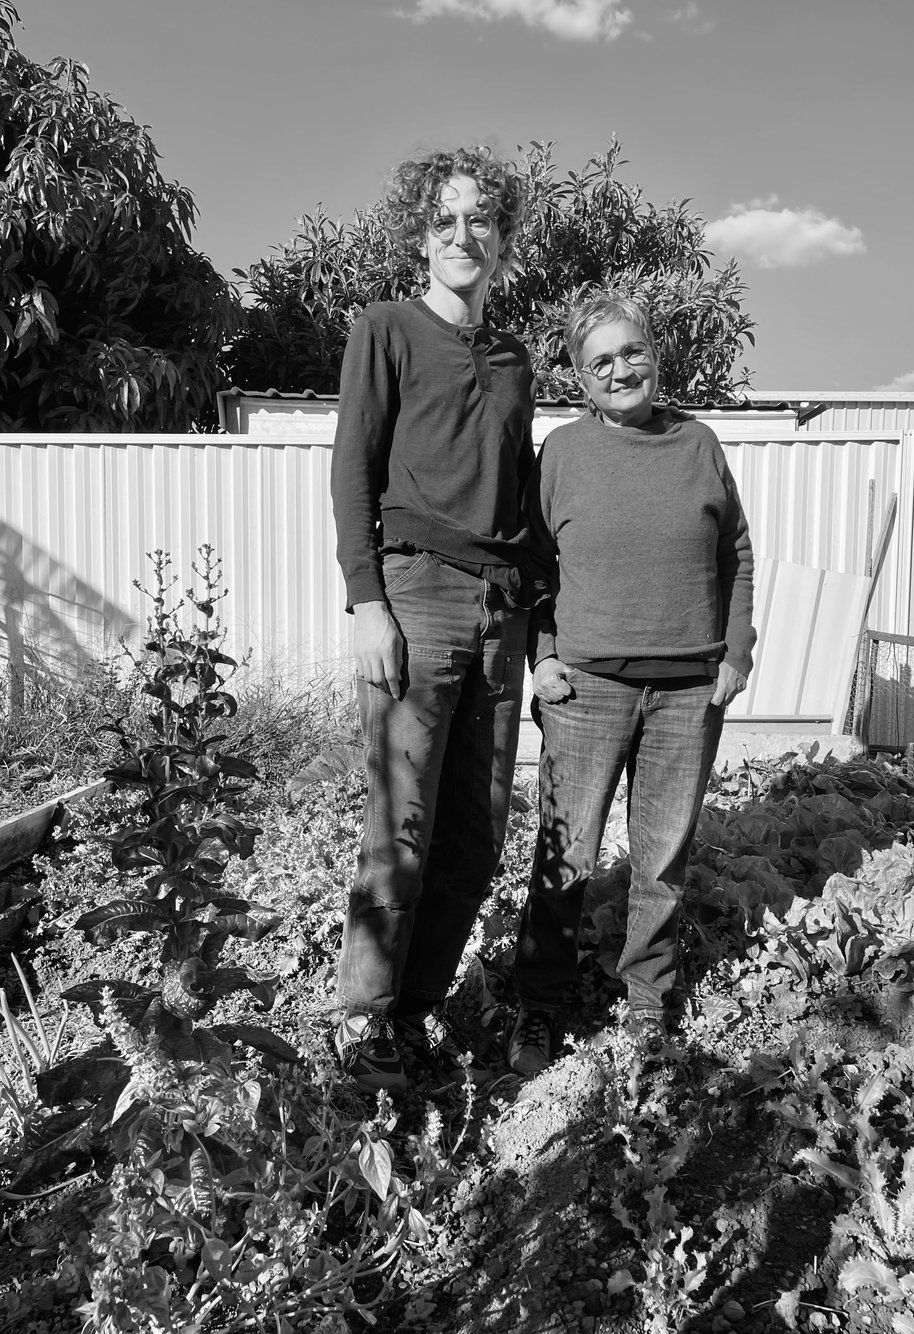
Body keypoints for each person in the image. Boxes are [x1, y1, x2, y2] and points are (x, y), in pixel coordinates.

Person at [330, 147, 536, 1095]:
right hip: (415, 593)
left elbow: (523, 497)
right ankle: (366, 1030)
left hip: (500, 611)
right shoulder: (386, 328)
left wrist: (541, 618)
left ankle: (413, 1016)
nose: (465, 235)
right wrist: (368, 598)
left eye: (481, 219)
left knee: (475, 835)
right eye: (446, 219)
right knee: (399, 831)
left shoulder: (512, 358)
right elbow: (353, 470)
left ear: (502, 237)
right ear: (423, 234)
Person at [506, 291, 755, 1077]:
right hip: (586, 690)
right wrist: (540, 657)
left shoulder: (698, 443)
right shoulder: (562, 454)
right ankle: (539, 1005)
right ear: (580, 378)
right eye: (601, 361)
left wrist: (737, 652)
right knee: (565, 856)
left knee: (661, 859)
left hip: (688, 692)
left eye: (632, 352)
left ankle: (648, 1000)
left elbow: (736, 554)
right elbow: (533, 567)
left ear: (654, 353)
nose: (621, 370)